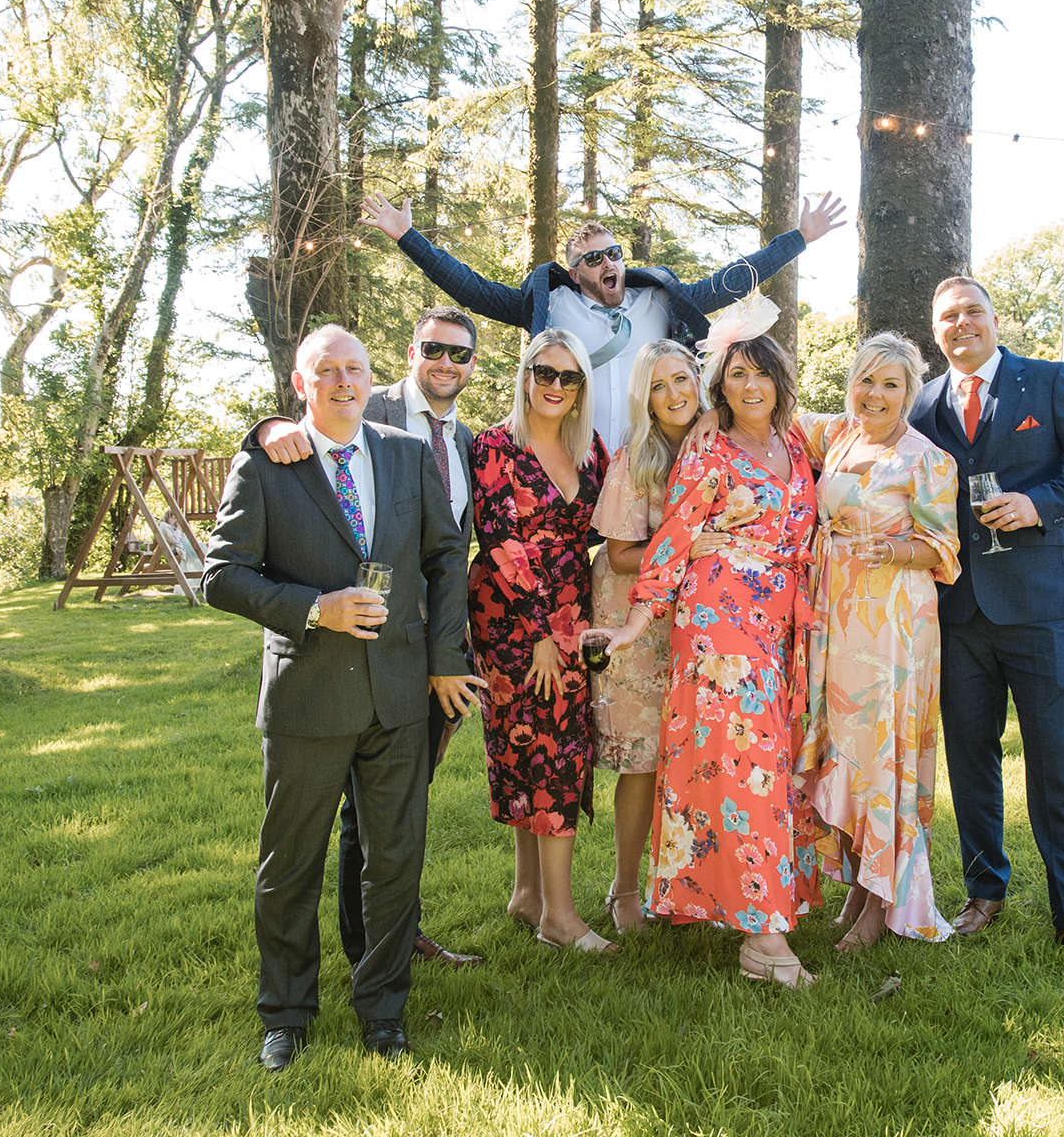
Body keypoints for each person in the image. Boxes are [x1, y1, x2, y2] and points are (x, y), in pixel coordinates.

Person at [204, 325, 483, 1070]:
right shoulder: (267, 464)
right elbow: (221, 575)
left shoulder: (404, 453)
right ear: (301, 384)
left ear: (371, 377)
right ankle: (286, 1014)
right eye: (325, 371)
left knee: (395, 860)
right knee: (290, 864)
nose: (343, 382)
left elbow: (444, 555)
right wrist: (312, 608)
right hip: (309, 694)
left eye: (354, 368)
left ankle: (383, 1010)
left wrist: (443, 657)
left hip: (399, 694)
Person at [590, 298, 825, 987]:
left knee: (759, 770)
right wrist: (635, 623)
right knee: (748, 770)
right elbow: (672, 541)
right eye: (737, 374)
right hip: (718, 623)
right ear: (720, 385)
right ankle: (764, 940)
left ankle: (737, 903)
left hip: (778, 627)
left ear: (780, 379)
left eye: (762, 373)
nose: (751, 386)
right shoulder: (709, 449)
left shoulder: (796, 445)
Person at [908, 277, 1064, 979]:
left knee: (1055, 763)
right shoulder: (922, 405)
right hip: (957, 612)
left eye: (973, 311)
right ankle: (984, 892)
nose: (961, 324)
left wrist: (1038, 503)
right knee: (971, 759)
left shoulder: (1049, 382)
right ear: (935, 331)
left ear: (995, 319)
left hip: (1038, 607)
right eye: (948, 317)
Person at [356, 190, 847, 445]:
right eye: (593, 259)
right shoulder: (552, 304)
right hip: (576, 458)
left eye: (613, 253)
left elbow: (729, 281)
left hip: (651, 458)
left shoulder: (658, 299)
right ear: (575, 272)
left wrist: (799, 238)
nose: (608, 263)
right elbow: (474, 289)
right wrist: (407, 238)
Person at [796, 332, 961, 952]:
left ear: (910, 392)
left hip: (893, 620)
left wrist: (893, 548)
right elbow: (769, 409)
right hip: (836, 612)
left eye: (891, 384)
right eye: (867, 379)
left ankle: (882, 900)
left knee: (881, 749)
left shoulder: (927, 459)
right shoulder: (837, 435)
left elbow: (944, 549)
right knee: (844, 742)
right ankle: (858, 882)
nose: (876, 394)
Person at [470, 329, 614, 951]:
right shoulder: (496, 445)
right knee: (544, 754)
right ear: (526, 375)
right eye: (545, 372)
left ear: (581, 387)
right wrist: (538, 634)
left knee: (548, 750)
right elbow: (500, 539)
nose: (556, 386)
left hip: (571, 614)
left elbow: (609, 524)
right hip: (513, 620)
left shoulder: (591, 449)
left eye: (569, 377)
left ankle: (529, 895)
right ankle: (560, 916)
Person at [585, 340, 733, 933]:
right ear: (643, 398)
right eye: (658, 385)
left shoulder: (721, 440)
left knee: (698, 757)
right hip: (635, 620)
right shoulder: (636, 458)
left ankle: (691, 889)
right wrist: (683, 549)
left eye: (682, 380)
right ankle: (623, 890)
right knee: (644, 761)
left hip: (702, 618)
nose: (674, 394)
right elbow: (618, 554)